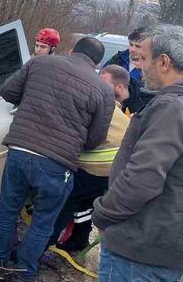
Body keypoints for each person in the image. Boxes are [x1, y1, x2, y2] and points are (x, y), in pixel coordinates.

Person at [92, 24, 183, 282]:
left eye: (144, 58)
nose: (139, 67)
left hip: (141, 246)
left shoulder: (173, 109)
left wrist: (103, 214)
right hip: (171, 247)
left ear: (163, 62)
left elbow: (141, 179)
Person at [0, 37, 113, 281]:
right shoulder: (103, 90)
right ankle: (25, 272)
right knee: (42, 222)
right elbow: (95, 140)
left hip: (20, 149)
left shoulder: (40, 64)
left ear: (70, 50)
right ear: (97, 64)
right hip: (58, 163)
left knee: (7, 210)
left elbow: (7, 91)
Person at [46, 66, 132, 253]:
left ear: (118, 87)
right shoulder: (117, 109)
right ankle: (79, 239)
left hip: (97, 170)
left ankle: (44, 243)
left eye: (103, 82)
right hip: (110, 172)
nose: (97, 85)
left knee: (68, 200)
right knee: (85, 204)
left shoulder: (106, 107)